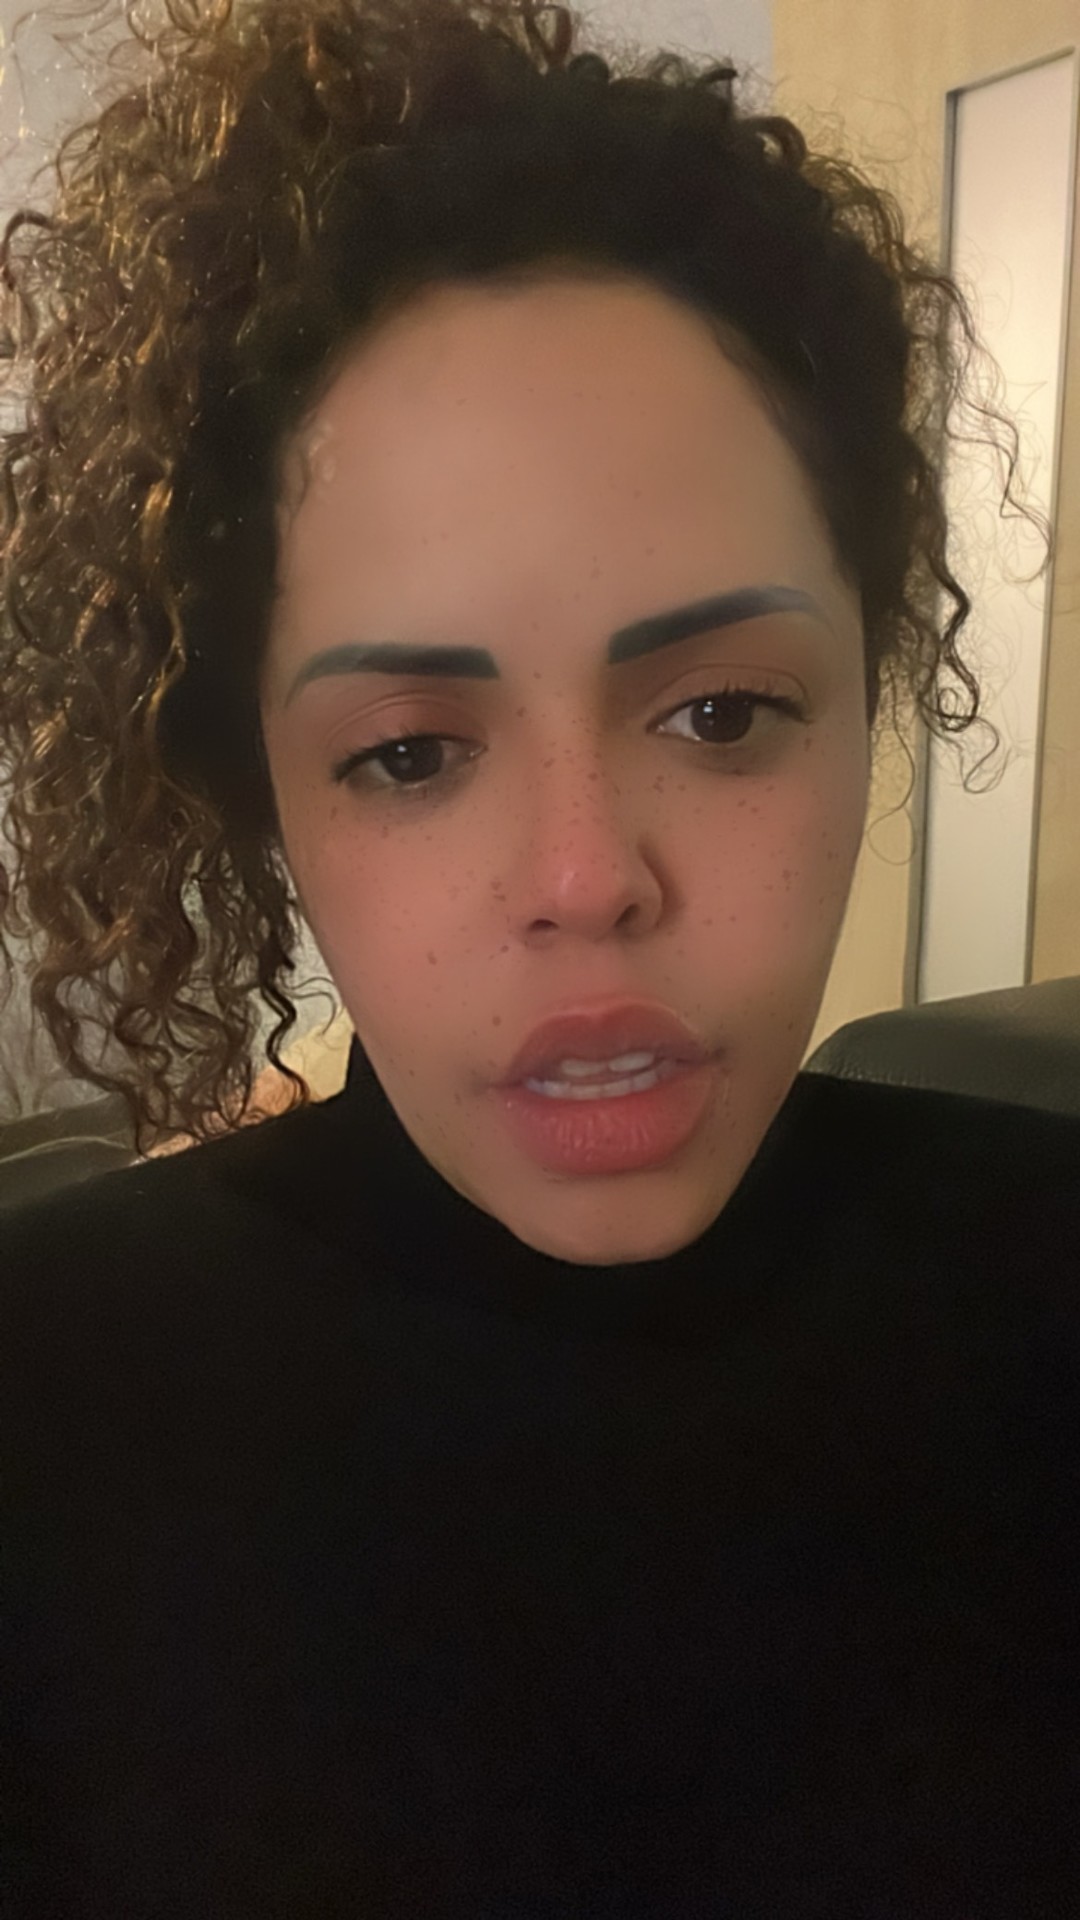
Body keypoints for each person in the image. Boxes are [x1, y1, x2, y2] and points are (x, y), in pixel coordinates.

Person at [1, 0, 1077, 1912]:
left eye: (723, 713)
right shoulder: (47, 1408)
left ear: (873, 688)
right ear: (259, 787)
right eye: (412, 753)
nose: (588, 880)